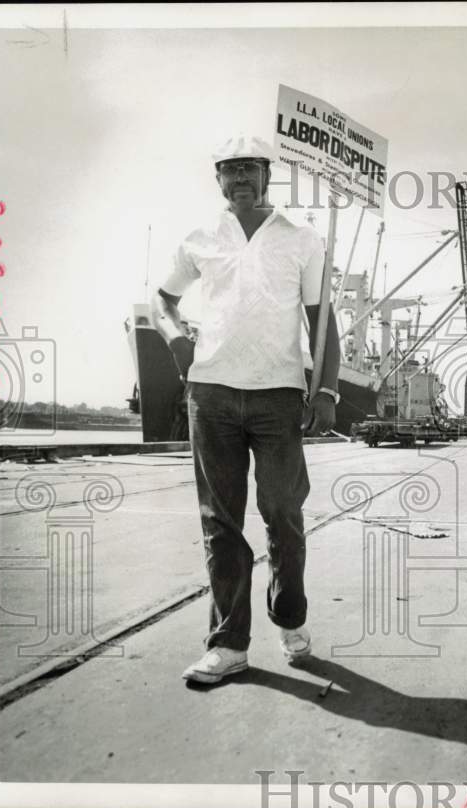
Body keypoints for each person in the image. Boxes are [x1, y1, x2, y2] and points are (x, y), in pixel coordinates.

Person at [151, 135, 341, 684]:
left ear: (267, 176)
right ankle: (228, 643)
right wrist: (175, 340)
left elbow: (323, 323)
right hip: (210, 394)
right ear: (218, 180)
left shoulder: (302, 239)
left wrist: (325, 391)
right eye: (228, 169)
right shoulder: (200, 239)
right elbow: (162, 299)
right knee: (220, 522)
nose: (239, 178)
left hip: (278, 395)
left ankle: (289, 616)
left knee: (283, 510)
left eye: (249, 168)